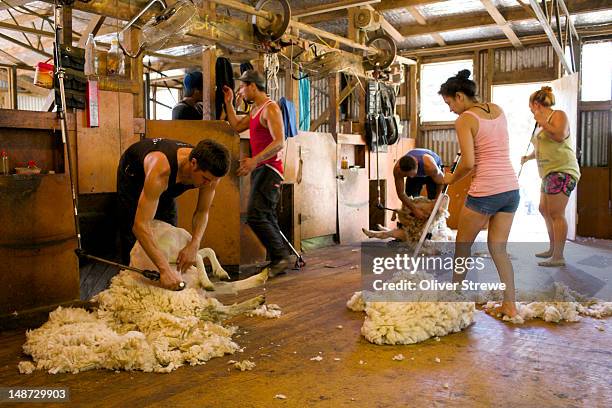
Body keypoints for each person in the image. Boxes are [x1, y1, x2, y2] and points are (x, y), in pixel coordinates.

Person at [439, 69, 520, 318]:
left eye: (450, 102)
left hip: (485, 190)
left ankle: (455, 296)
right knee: (498, 249)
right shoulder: (497, 109)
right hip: (510, 189)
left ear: (460, 96)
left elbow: (468, 163)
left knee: (462, 246)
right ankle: (510, 305)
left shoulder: (464, 120)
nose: (451, 109)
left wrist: (451, 178)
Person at [116, 138, 230, 290]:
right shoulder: (161, 170)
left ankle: (169, 290)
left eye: (213, 181)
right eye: (205, 179)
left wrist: (194, 244)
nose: (208, 185)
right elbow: (140, 226)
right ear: (194, 163)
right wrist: (164, 269)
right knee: (134, 241)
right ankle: (132, 291)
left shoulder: (210, 174)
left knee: (168, 236)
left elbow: (202, 212)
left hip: (165, 186)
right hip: (134, 179)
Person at [221, 70, 290, 277]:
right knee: (266, 215)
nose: (241, 90)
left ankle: (281, 257)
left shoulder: (271, 109)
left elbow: (279, 142)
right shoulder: (255, 111)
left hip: (270, 169)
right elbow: (235, 125)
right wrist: (229, 102)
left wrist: (254, 160)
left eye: (242, 87)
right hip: (261, 169)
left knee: (255, 215)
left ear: (252, 86)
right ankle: (278, 258)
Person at [521, 86, 580, 267]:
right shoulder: (539, 123)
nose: (531, 110)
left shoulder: (558, 115)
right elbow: (543, 146)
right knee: (543, 209)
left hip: (562, 170)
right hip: (548, 172)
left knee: (556, 213)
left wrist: (543, 122)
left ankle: (558, 256)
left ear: (536, 104)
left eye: (531, 107)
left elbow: (560, 136)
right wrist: (529, 157)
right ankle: (553, 249)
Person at [393, 148, 444, 219]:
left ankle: (434, 225)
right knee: (411, 198)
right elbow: (401, 194)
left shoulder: (431, 167)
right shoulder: (398, 170)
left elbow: (441, 182)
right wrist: (414, 210)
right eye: (407, 175)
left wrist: (437, 202)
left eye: (412, 174)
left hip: (433, 174)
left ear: (416, 164)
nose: (411, 176)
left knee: (434, 202)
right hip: (418, 172)